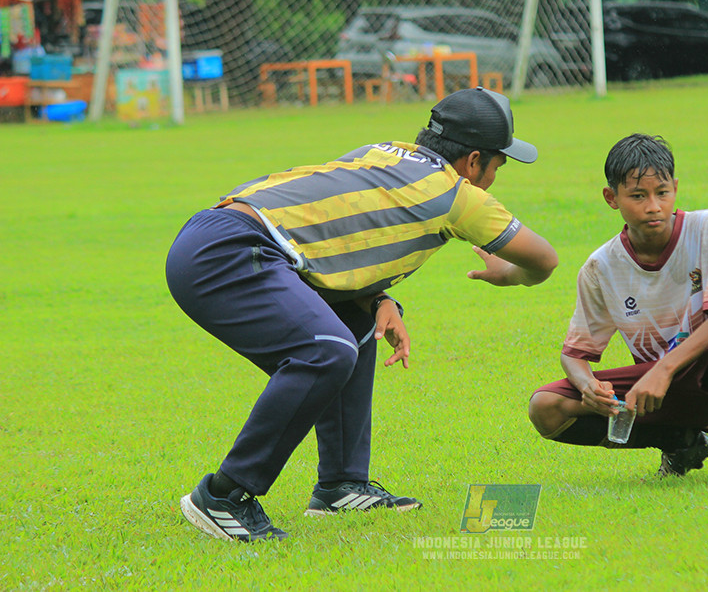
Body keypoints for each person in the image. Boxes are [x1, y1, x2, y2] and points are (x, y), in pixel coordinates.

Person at [166, 87, 558, 541]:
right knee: (324, 351)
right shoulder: (458, 195)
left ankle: (342, 485)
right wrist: (510, 276)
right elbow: (543, 260)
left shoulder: (383, 153)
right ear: (474, 161)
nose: (493, 178)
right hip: (233, 251)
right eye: (497, 165)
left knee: (352, 329)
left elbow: (330, 239)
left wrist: (376, 300)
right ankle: (224, 495)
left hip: (217, 234)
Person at [527, 133, 708, 491]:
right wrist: (589, 388)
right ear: (610, 198)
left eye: (662, 193)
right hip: (656, 394)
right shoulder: (600, 267)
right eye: (637, 196)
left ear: (675, 189)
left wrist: (663, 370)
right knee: (546, 407)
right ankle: (679, 442)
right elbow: (574, 354)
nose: (653, 206)